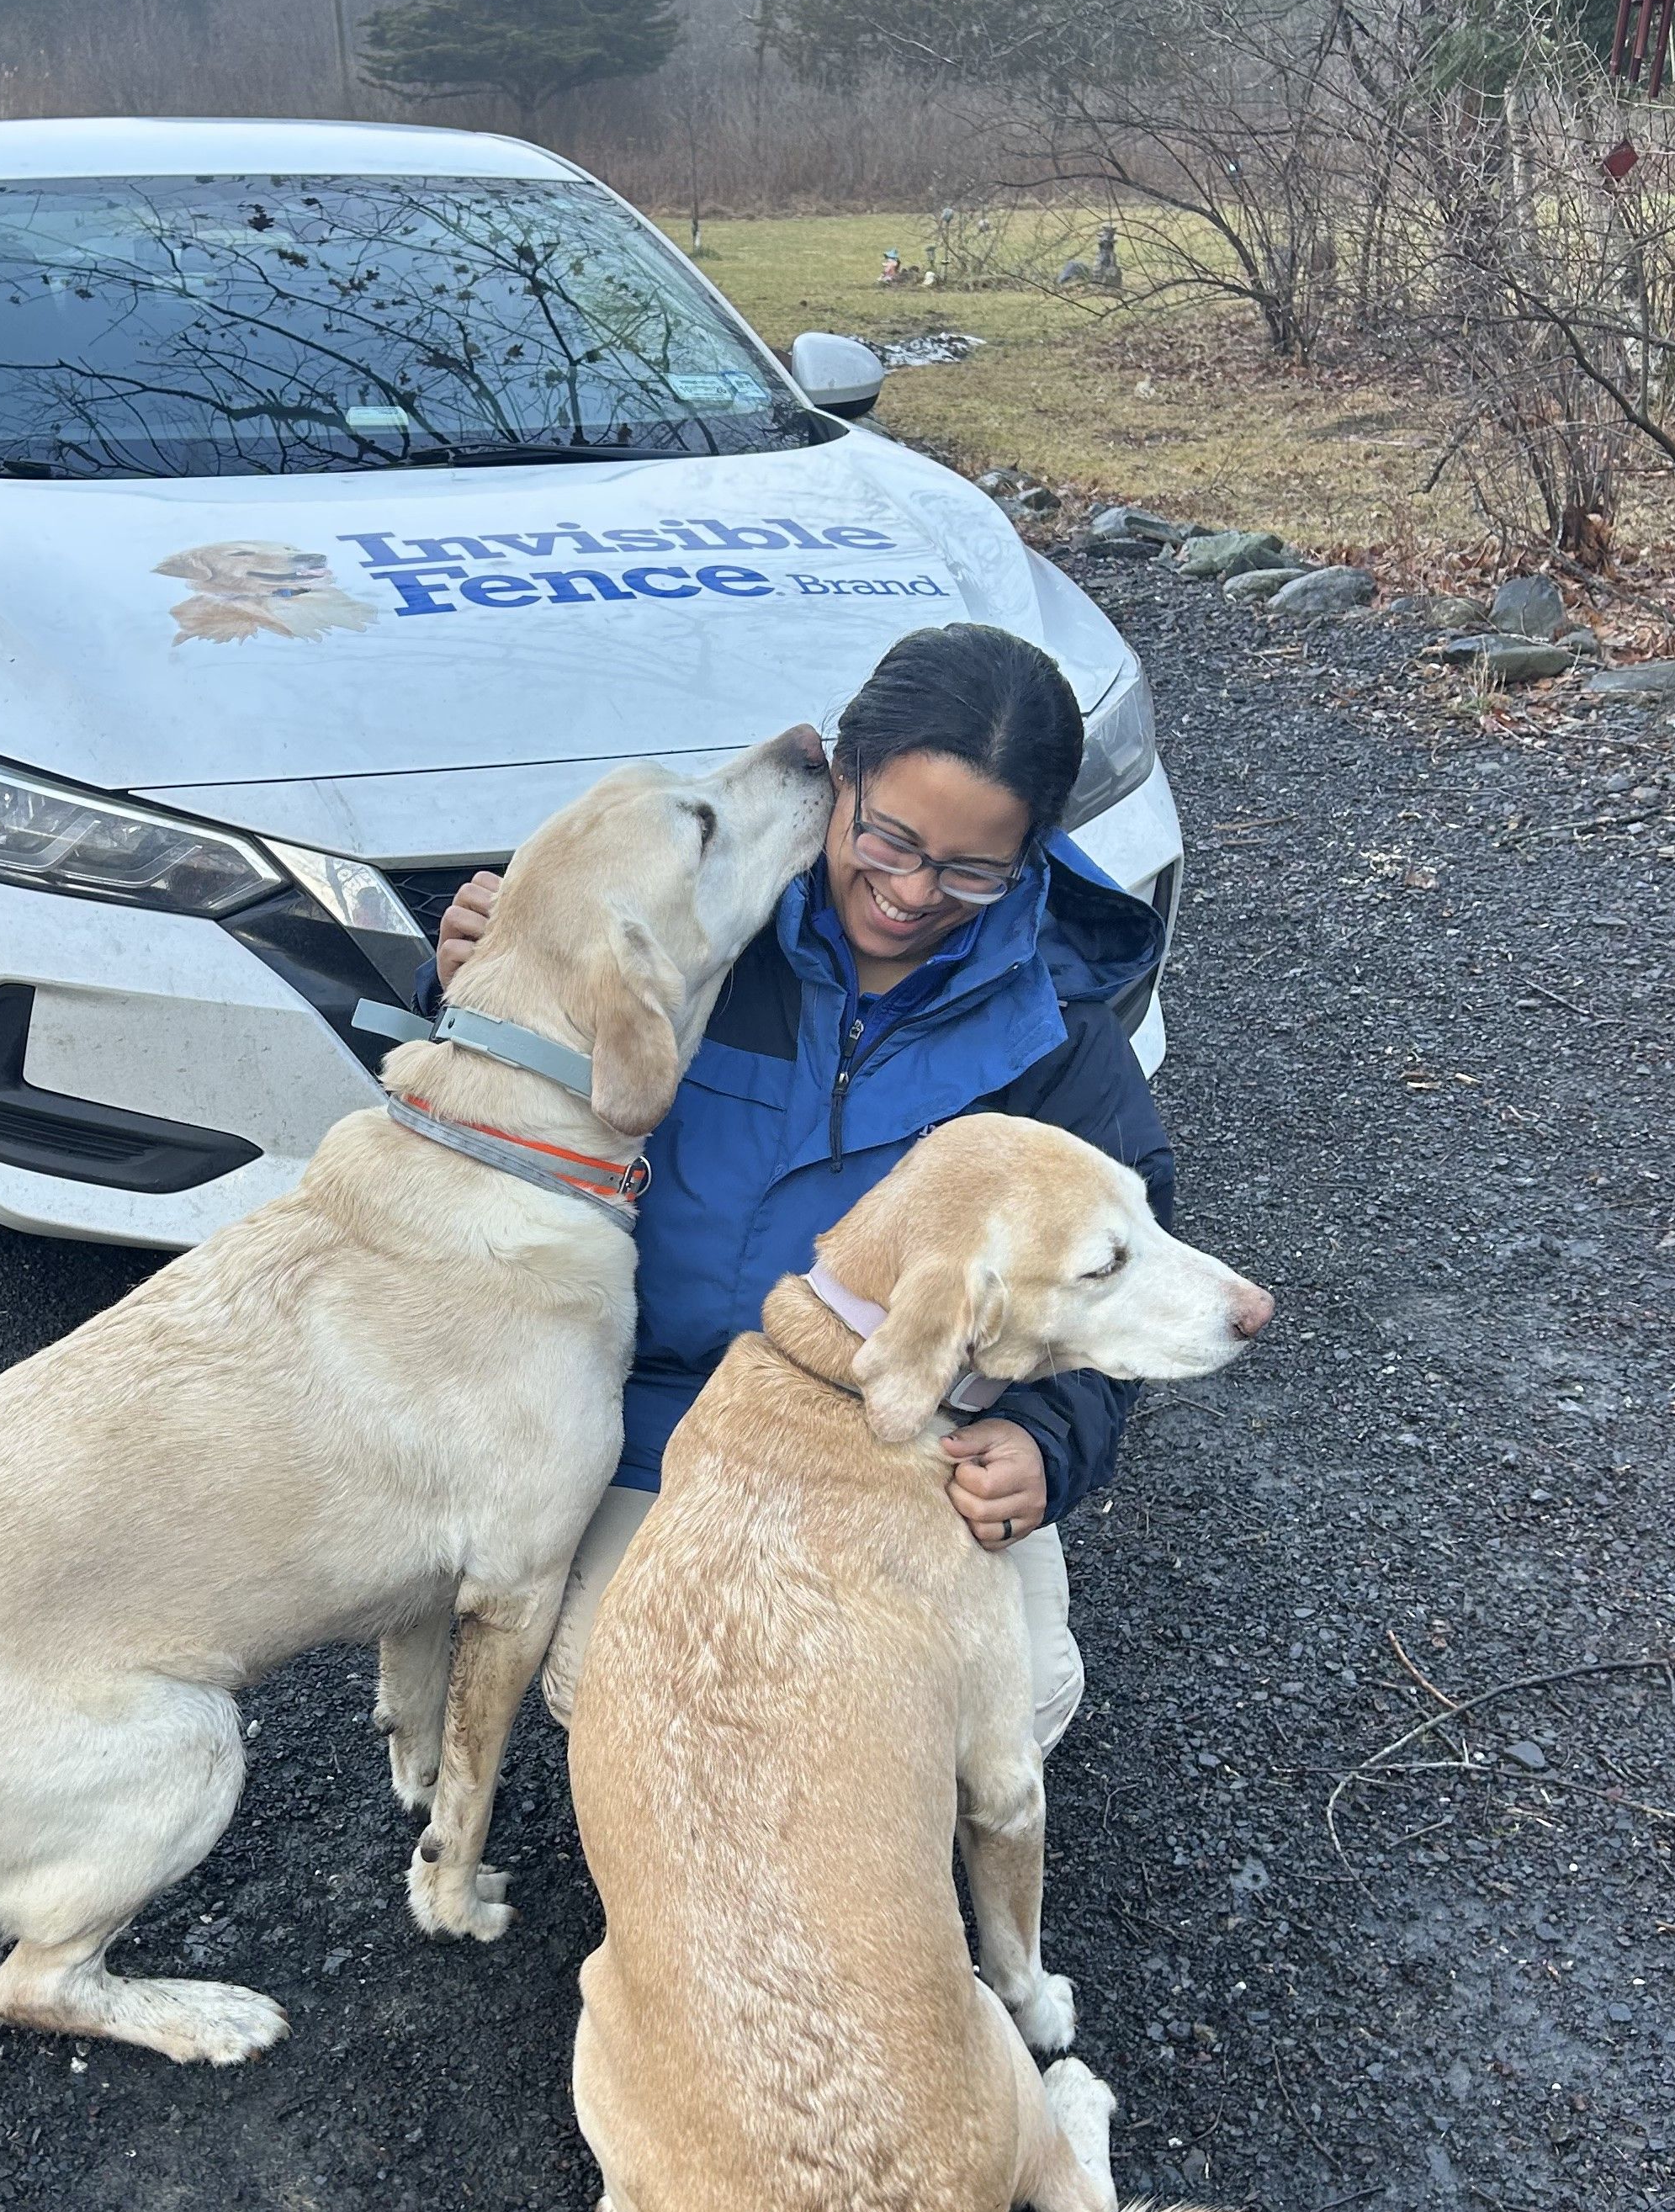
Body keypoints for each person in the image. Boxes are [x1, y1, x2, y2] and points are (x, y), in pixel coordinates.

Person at [431, 622, 1175, 1758]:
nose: (915, 892)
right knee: (646, 1696)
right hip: (665, 1426)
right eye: (889, 837)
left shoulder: (1055, 1036)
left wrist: (1047, 1436)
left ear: (1031, 855)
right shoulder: (689, 929)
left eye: (973, 869)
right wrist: (499, 980)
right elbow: (494, 1134)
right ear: (842, 775)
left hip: (906, 1433)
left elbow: (1122, 1267)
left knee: (1000, 1711)